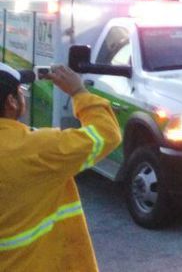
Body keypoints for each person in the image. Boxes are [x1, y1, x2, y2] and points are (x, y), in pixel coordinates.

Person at [0, 63, 121, 271]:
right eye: (20, 92)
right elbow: (107, 133)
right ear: (11, 102)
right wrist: (79, 92)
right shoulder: (38, 148)